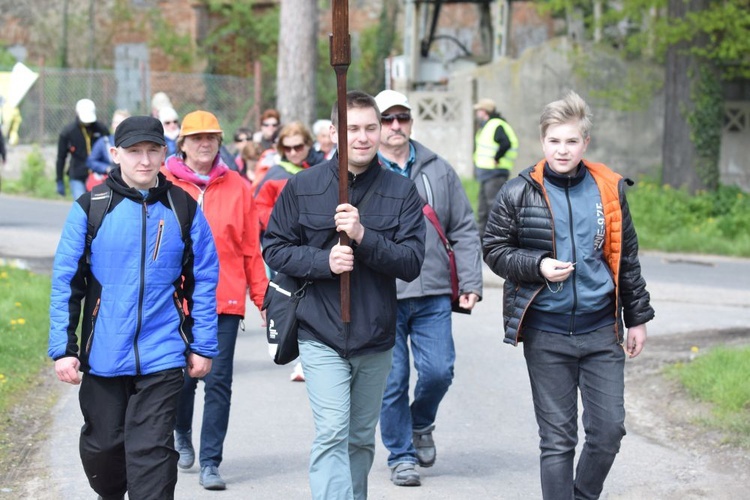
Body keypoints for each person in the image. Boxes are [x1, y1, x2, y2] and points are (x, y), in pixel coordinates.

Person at [482, 91, 655, 500]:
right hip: (547, 334)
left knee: (609, 430)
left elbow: (625, 255)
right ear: (543, 142)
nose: (563, 149)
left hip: (601, 330)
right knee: (558, 440)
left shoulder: (609, 188)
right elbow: (493, 248)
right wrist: (537, 265)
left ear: (585, 144)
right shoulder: (518, 191)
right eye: (555, 141)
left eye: (572, 141)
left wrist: (638, 317)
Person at [262, 90, 426, 500]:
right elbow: (275, 247)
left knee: (358, 439)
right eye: (353, 128)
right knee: (334, 430)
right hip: (321, 331)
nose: (363, 137)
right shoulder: (303, 187)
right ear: (334, 132)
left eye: (371, 127)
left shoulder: (400, 191)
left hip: (375, 335)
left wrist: (363, 237)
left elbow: (410, 262)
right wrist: (324, 263)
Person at [48, 115, 220, 500]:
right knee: (104, 449)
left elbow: (204, 280)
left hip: (162, 354)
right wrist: (63, 349)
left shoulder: (184, 208)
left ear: (165, 153)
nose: (144, 160)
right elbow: (66, 283)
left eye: (152, 150)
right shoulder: (91, 207)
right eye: (134, 151)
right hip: (103, 353)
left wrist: (202, 344)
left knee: (152, 454)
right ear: (115, 154)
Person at [373, 89, 483, 487]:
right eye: (388, 119)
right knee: (392, 379)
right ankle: (401, 455)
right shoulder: (364, 171)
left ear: (411, 121)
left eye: (402, 117)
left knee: (439, 371)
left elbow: (464, 228)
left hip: (433, 290)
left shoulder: (438, 168)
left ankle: (421, 423)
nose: (396, 125)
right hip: (383, 293)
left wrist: (470, 281)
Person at [163, 110, 269, 491]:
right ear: (183, 144)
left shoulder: (239, 186)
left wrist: (262, 297)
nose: (204, 143)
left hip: (223, 300)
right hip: (174, 301)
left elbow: (249, 247)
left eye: (211, 137)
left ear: (220, 141)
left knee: (219, 380)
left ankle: (211, 461)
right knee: (182, 380)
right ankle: (179, 430)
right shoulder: (164, 182)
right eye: (196, 138)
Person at [254, 121, 324, 232]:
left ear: (308, 144)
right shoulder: (275, 174)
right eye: (287, 148)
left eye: (298, 147)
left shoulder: (323, 169)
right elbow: (259, 207)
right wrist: (282, 223)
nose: (292, 153)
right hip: (285, 238)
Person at [473, 97, 519, 238]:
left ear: (485, 111)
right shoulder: (487, 125)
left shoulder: (496, 124)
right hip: (486, 173)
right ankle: (482, 238)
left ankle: (498, 238)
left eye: (479, 110)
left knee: (494, 206)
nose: (477, 113)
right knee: (482, 208)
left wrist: (496, 158)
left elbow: (506, 143)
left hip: (495, 173)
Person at [55, 98, 110, 200]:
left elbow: (109, 151)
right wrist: (59, 180)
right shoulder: (68, 132)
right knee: (81, 204)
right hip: (77, 175)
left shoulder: (101, 130)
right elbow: (61, 157)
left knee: (98, 206)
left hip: (98, 175)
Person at [85, 109, 130, 190]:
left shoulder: (133, 144)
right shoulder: (104, 142)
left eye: (120, 123)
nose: (116, 125)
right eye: (115, 122)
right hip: (108, 182)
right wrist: (106, 168)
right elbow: (90, 161)